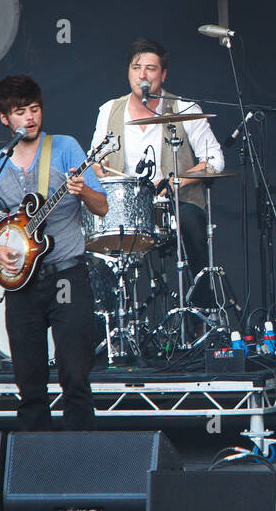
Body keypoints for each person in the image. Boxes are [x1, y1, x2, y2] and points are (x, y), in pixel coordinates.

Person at [0, 74, 108, 431]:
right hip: (21, 283)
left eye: (34, 109)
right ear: (4, 118)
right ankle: (34, 467)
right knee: (29, 383)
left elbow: (102, 206)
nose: (29, 118)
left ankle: (81, 457)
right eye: (20, 112)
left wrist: (82, 192)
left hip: (66, 276)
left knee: (75, 375)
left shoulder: (65, 148)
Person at [91, 37, 226, 312]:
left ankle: (202, 308)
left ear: (163, 74)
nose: (142, 75)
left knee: (191, 221)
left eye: (150, 68)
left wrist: (174, 181)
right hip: (125, 208)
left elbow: (215, 160)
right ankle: (108, 321)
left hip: (175, 206)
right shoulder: (109, 111)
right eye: (136, 67)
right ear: (128, 71)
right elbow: (95, 161)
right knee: (93, 236)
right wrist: (99, 168)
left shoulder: (185, 109)